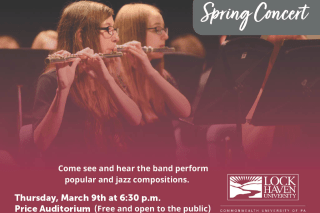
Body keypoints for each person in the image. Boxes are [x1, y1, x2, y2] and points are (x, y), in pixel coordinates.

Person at [32, 1, 142, 167]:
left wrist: (106, 79)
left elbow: (135, 119)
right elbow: (41, 143)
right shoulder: (50, 81)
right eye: (108, 30)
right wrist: (62, 90)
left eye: (115, 29)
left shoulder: (109, 76)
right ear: (81, 36)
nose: (117, 38)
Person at [114, 3, 191, 164]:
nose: (165, 36)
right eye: (157, 30)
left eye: (164, 29)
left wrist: (150, 73)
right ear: (135, 33)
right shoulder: (114, 78)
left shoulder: (161, 75)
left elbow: (185, 111)